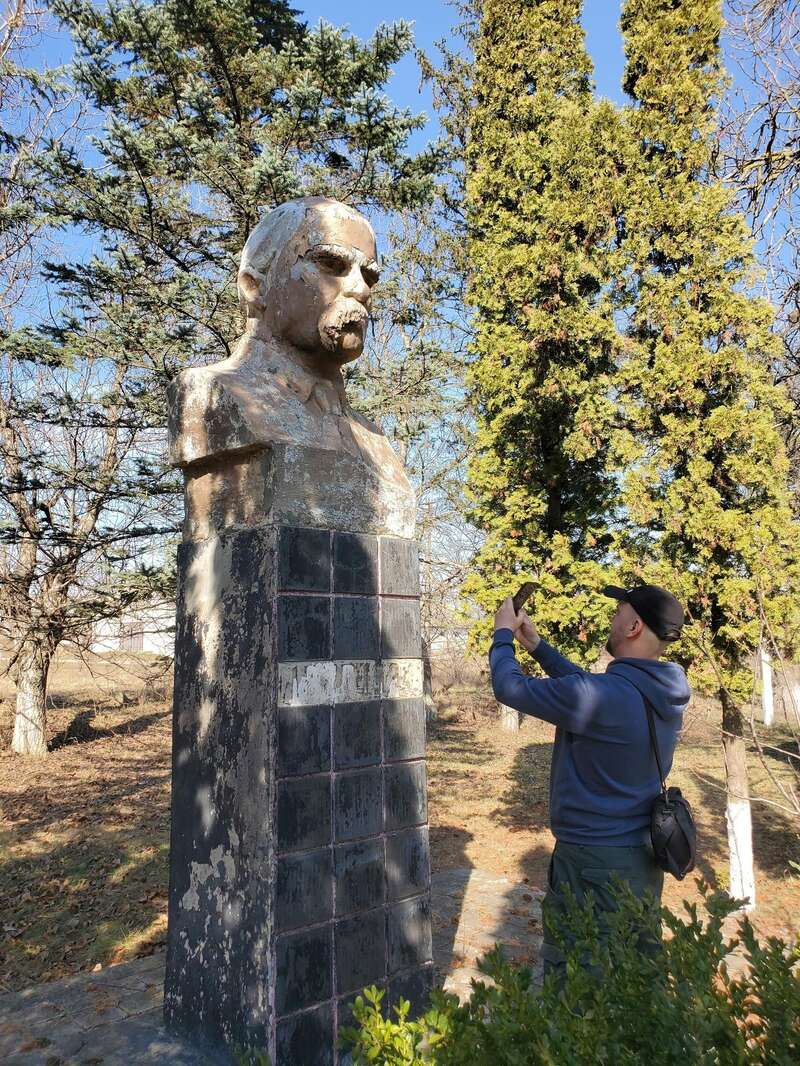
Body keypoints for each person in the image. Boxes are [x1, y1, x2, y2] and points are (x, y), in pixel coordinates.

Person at [490, 584, 691, 983]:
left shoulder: (609, 696)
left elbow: (509, 687)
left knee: (577, 981)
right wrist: (537, 647)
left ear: (633, 626)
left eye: (618, 612)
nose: (612, 619)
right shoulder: (660, 690)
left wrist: (502, 636)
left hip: (592, 865)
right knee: (634, 976)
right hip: (639, 861)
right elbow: (589, 690)